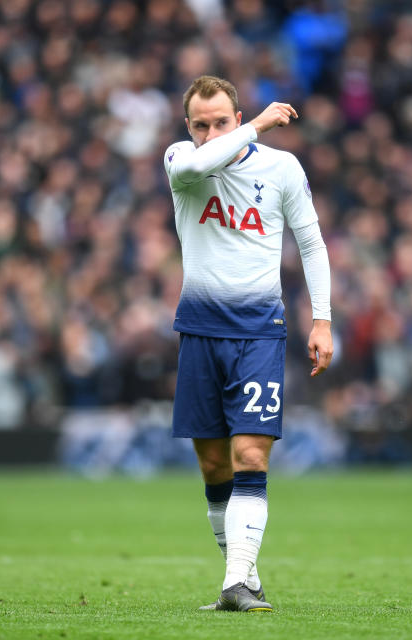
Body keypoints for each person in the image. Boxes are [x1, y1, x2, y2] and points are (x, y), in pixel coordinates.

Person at [163, 76, 333, 612]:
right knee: (213, 466)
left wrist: (322, 318)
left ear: (234, 118)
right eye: (200, 124)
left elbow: (310, 240)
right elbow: (196, 163)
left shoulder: (281, 169)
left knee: (250, 453)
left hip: (260, 330)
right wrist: (258, 126)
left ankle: (235, 584)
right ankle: (245, 578)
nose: (209, 132)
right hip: (199, 330)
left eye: (221, 121)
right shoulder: (180, 161)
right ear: (187, 127)